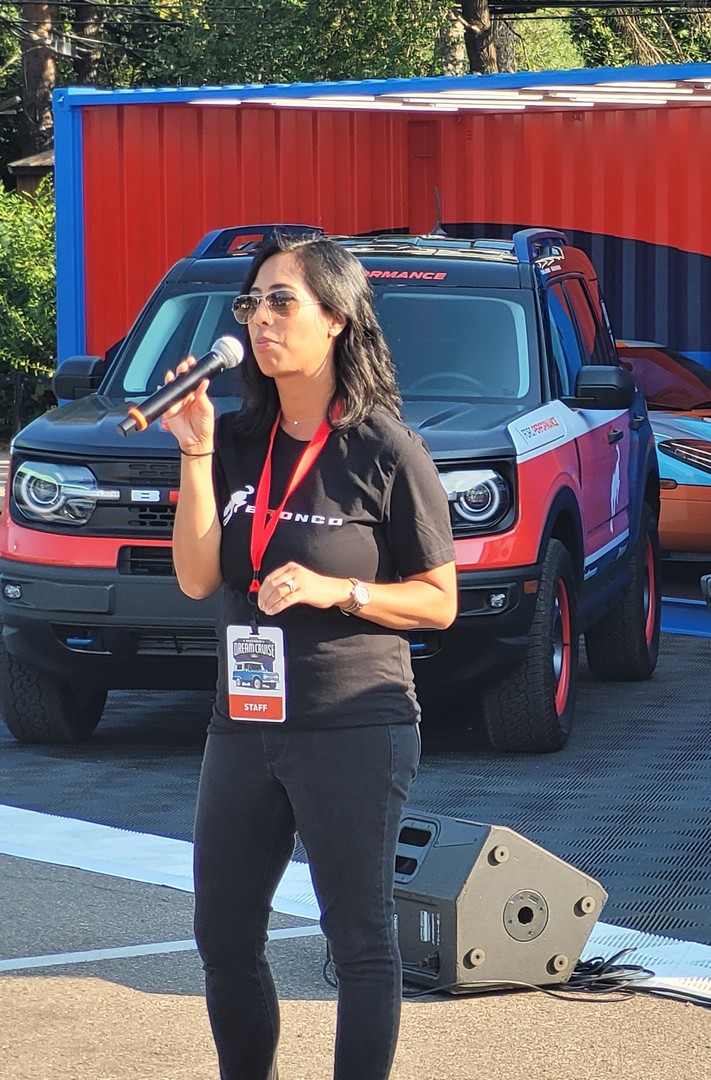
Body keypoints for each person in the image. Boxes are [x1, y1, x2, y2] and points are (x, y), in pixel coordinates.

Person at [162, 233, 458, 1080]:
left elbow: (440, 602)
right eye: (252, 302)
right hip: (245, 720)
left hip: (353, 720)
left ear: (336, 318)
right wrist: (194, 453)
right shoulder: (238, 439)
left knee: (360, 938)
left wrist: (343, 592)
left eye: (282, 300)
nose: (261, 318)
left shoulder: (384, 447)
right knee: (223, 935)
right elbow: (195, 579)